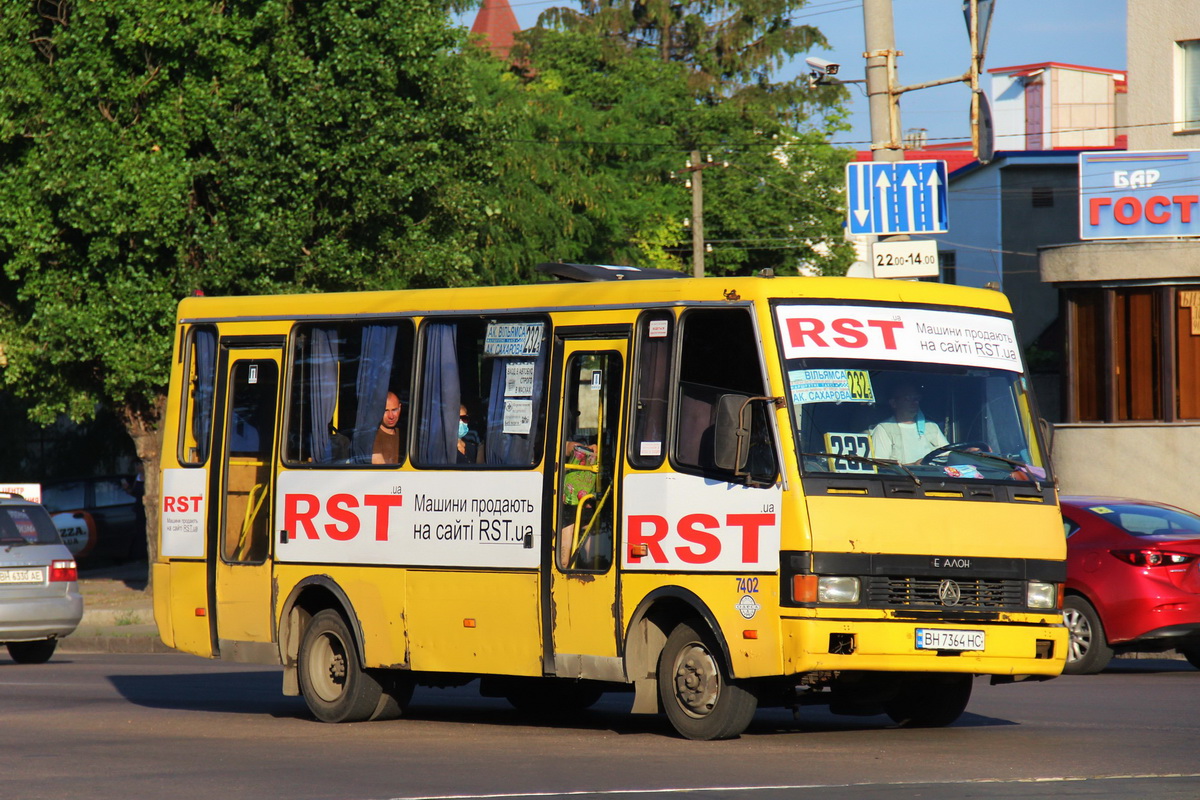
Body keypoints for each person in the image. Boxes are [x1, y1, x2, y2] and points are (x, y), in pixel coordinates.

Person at [870, 383, 948, 463]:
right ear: (894, 403)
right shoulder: (884, 429)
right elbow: (880, 465)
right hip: (903, 476)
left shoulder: (931, 427)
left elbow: (948, 455)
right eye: (908, 398)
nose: (915, 402)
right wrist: (914, 466)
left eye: (917, 398)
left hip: (934, 475)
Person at [372, 392, 403, 464]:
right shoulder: (373, 437)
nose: (391, 416)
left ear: (400, 408)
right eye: (385, 411)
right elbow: (380, 471)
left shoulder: (406, 436)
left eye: (394, 410)